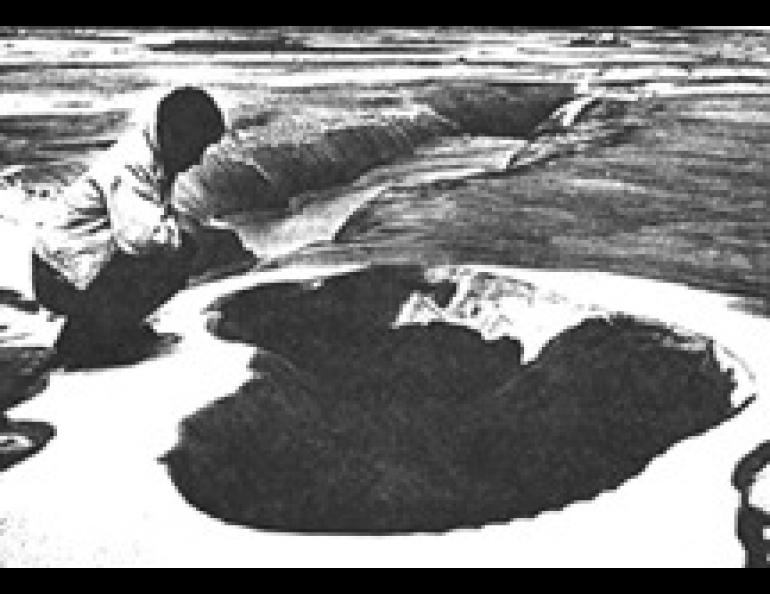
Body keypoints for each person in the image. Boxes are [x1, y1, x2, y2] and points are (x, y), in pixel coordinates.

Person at [32, 86, 226, 368]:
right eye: (196, 148)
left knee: (173, 252)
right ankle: (86, 342)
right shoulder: (133, 165)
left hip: (71, 266)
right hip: (58, 274)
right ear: (173, 137)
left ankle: (108, 331)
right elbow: (138, 239)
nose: (197, 160)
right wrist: (183, 234)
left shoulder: (154, 154)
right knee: (173, 259)